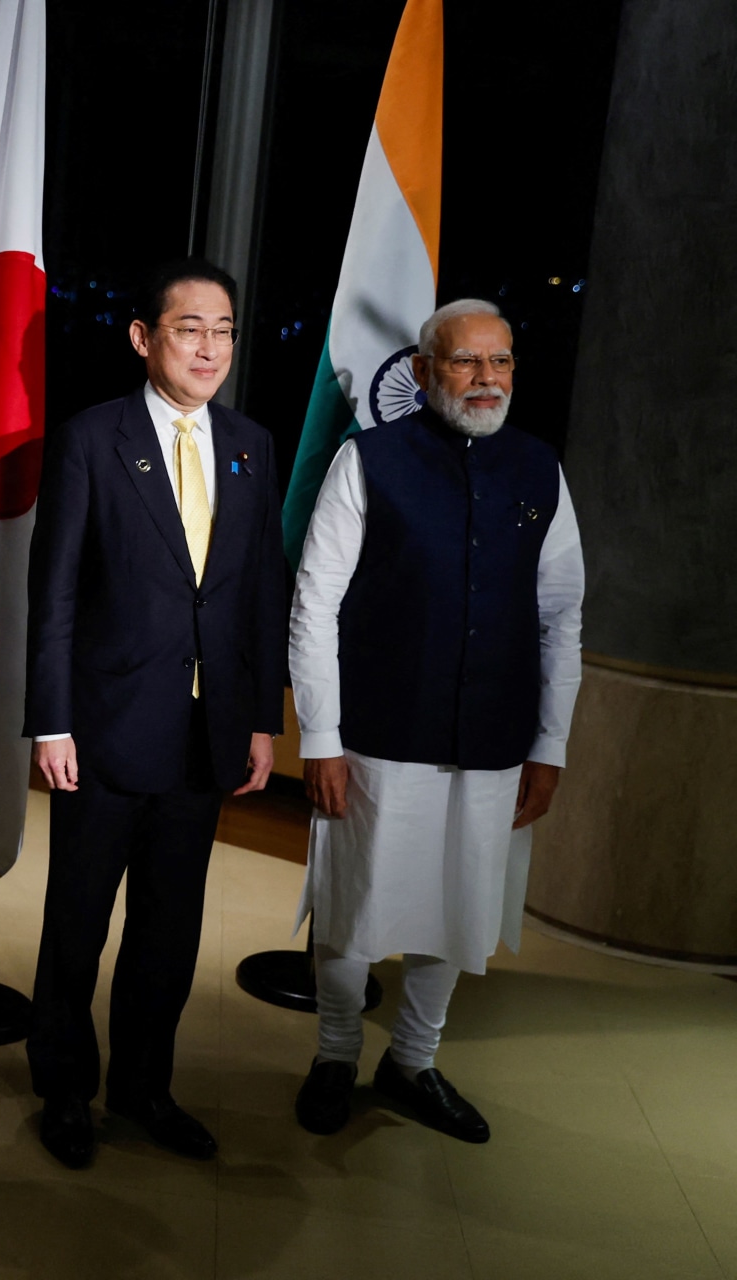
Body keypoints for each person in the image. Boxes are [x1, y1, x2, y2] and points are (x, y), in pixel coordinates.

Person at [290, 299, 583, 1143]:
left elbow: (562, 614)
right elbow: (314, 608)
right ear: (423, 371)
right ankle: (336, 1054)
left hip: (495, 739)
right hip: (377, 736)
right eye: (465, 361)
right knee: (354, 907)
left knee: (459, 906)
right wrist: (321, 738)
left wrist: (551, 744)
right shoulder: (368, 460)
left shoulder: (540, 467)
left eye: (501, 361)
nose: (487, 378)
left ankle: (413, 1061)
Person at [24, 258, 288, 1167]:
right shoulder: (90, 440)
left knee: (170, 931)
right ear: (144, 338)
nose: (209, 348)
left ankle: (145, 1087)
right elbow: (54, 594)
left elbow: (261, 592)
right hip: (103, 729)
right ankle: (65, 1088)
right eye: (189, 328)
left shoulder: (252, 444)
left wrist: (262, 720)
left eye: (223, 331)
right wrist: (51, 721)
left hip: (205, 736)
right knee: (78, 925)